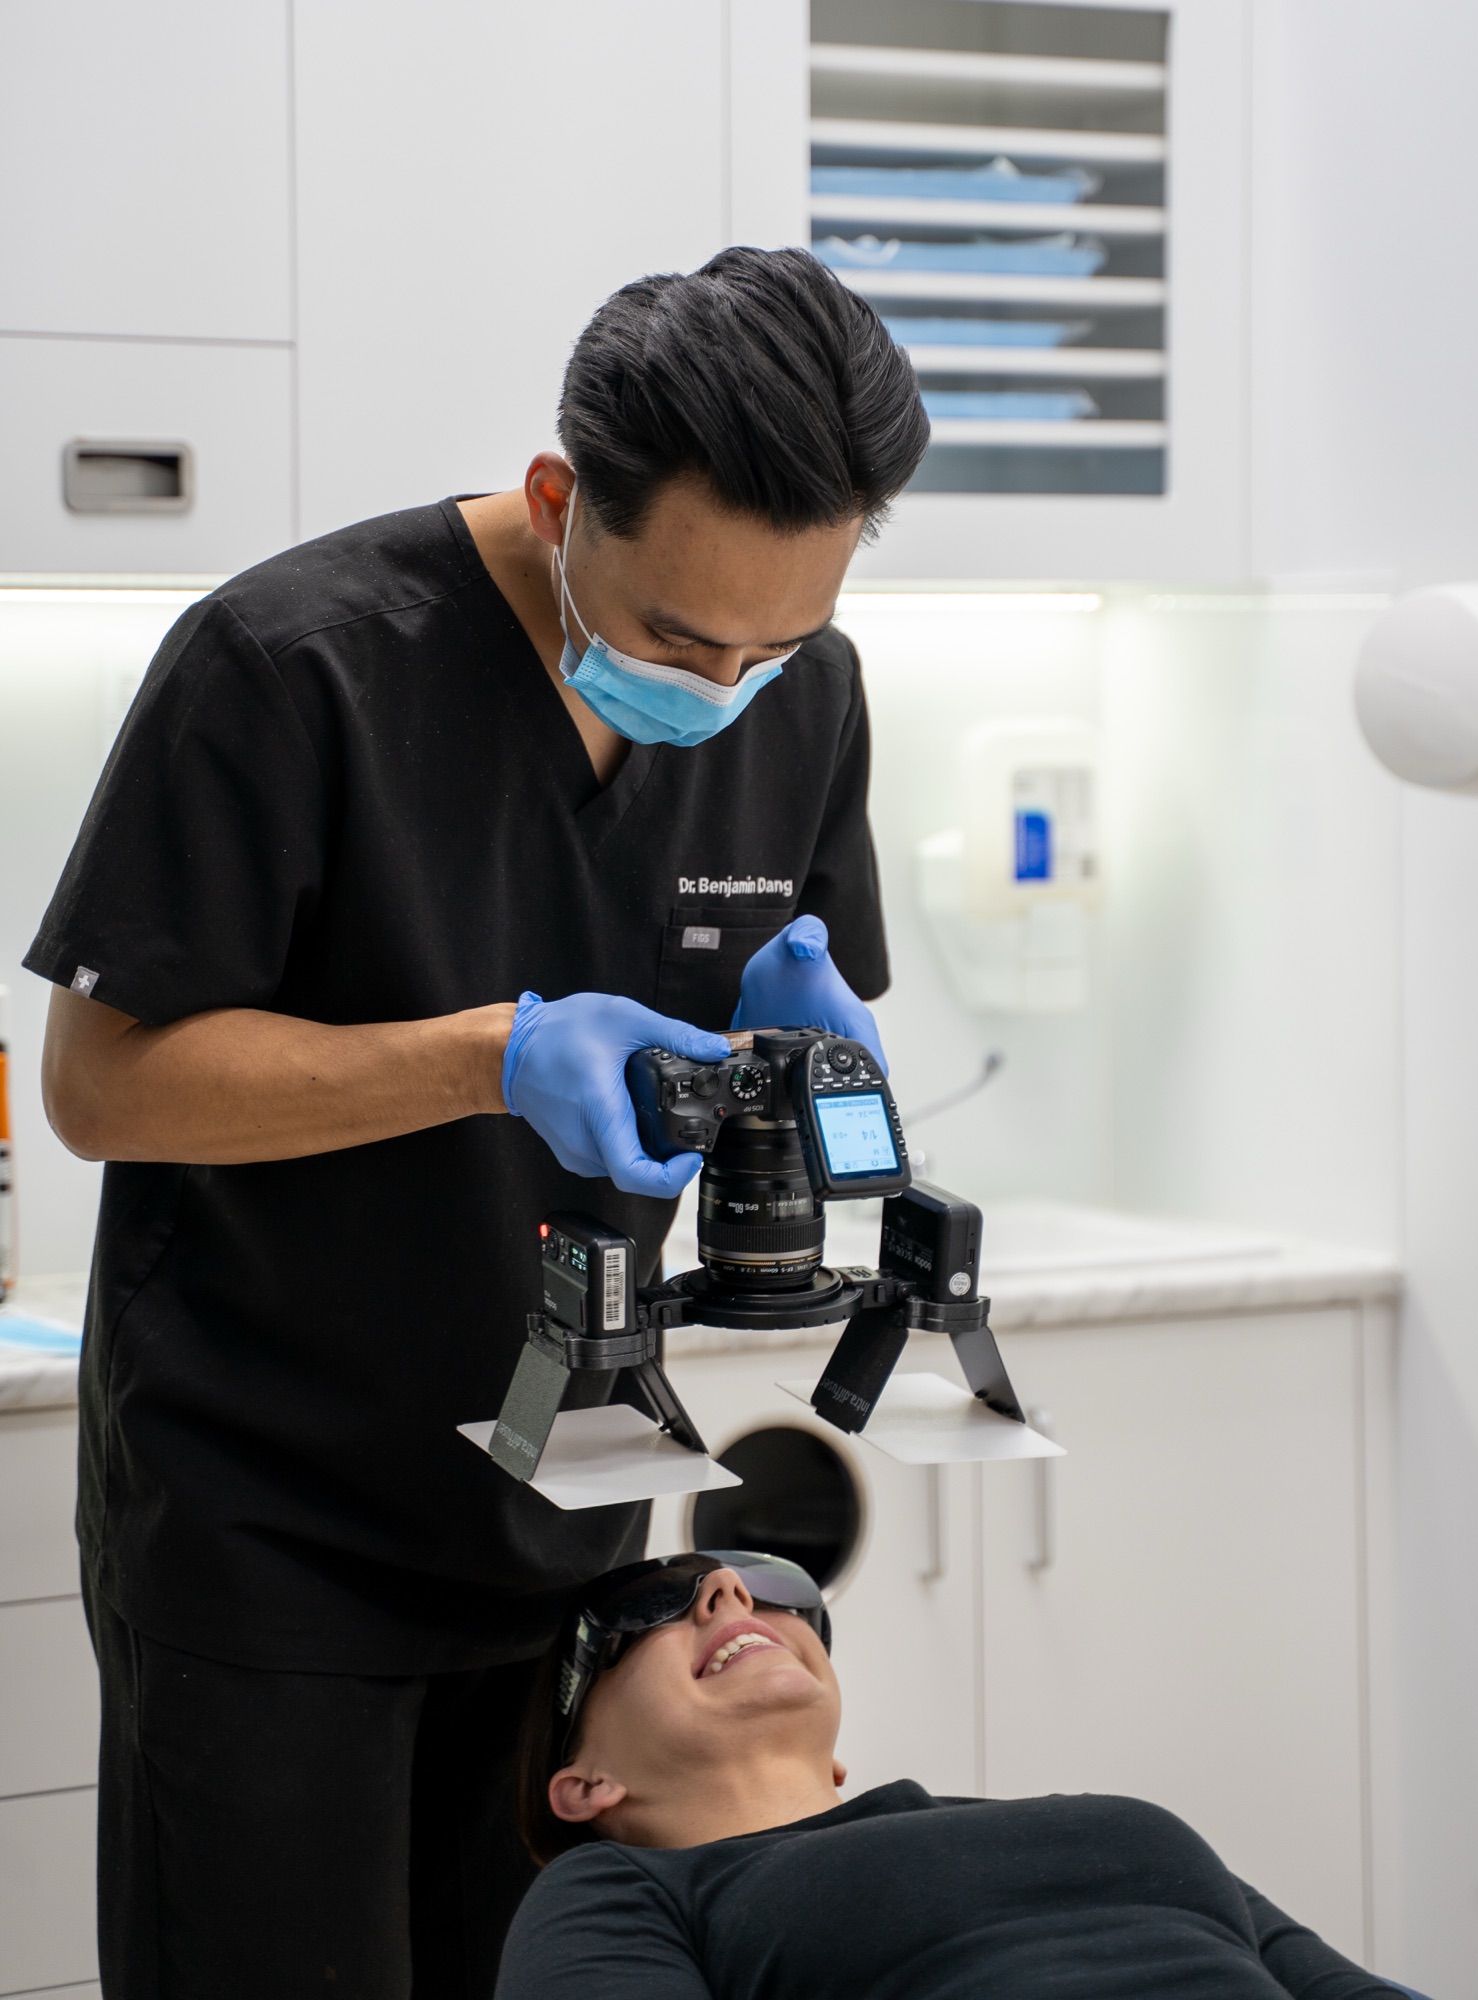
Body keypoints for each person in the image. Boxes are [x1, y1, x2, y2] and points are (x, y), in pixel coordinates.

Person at [27, 247, 929, 1999]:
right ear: (557, 499)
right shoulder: (291, 664)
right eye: (680, 637)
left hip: (579, 1518)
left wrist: (820, 1061)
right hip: (273, 1528)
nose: (727, 683)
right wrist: (487, 1052)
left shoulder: (801, 692)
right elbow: (100, 1086)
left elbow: (785, 998)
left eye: (778, 640)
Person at [499, 1552, 1424, 2000]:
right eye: (651, 1606)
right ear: (587, 1784)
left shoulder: (1081, 1817)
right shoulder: (620, 1887)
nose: (732, 1594)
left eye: (778, 1591)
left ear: (835, 1761)